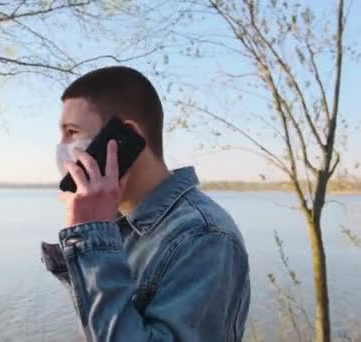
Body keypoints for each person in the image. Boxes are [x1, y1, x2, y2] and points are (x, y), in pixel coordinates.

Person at [40, 66, 250, 341]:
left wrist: (90, 236)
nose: (62, 147)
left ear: (123, 137)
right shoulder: (119, 226)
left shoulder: (202, 237)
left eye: (72, 132)